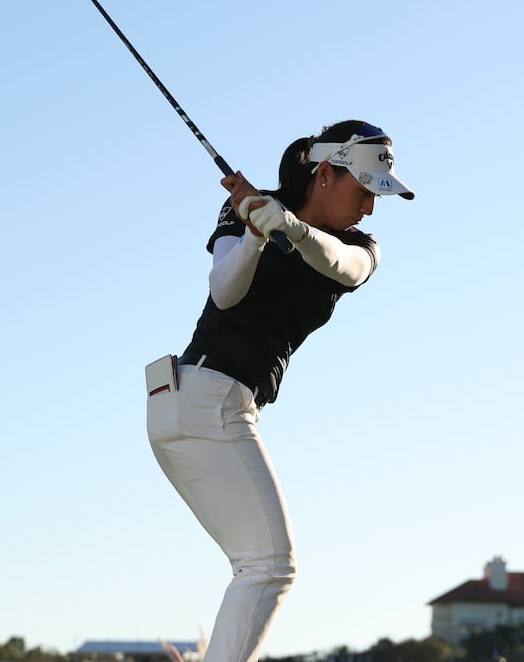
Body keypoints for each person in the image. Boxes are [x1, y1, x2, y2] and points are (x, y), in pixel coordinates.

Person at [145, 119, 414, 662]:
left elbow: (343, 264)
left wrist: (289, 227)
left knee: (257, 564)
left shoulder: (359, 246)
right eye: (364, 191)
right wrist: (253, 233)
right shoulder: (249, 209)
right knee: (270, 566)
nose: (369, 208)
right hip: (204, 400)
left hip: (192, 406)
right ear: (324, 174)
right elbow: (224, 291)